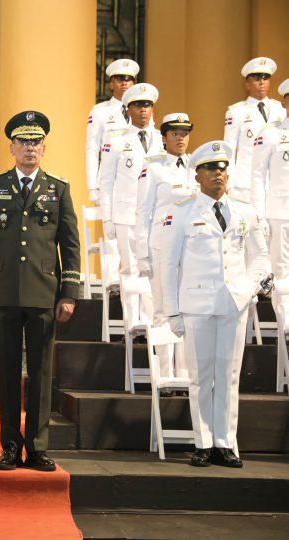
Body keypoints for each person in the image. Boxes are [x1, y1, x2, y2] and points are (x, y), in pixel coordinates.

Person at [0, 111, 80, 471]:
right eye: (23, 142)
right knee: (5, 374)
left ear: (44, 148)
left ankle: (37, 447)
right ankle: (8, 446)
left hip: (43, 293)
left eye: (35, 142)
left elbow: (70, 244)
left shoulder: (58, 189)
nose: (29, 148)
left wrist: (69, 292)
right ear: (12, 148)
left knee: (40, 372)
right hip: (2, 294)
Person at [160, 141, 269, 468]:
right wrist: (173, 311)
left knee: (229, 375)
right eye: (211, 168)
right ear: (198, 175)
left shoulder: (244, 210)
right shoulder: (182, 211)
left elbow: (260, 255)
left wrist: (249, 288)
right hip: (197, 304)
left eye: (222, 167)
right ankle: (204, 442)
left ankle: (226, 442)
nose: (218, 173)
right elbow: (169, 264)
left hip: (233, 303)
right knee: (200, 377)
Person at [135, 113, 196, 386]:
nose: (181, 138)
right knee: (163, 310)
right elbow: (143, 211)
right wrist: (142, 254)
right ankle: (164, 376)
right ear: (164, 137)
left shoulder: (197, 164)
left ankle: (183, 376)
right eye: (175, 133)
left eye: (185, 133)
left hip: (192, 247)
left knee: (187, 310)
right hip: (161, 246)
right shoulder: (154, 167)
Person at [98, 83, 163, 328]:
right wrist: (107, 219)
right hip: (125, 214)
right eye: (137, 105)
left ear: (153, 108)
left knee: (152, 270)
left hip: (155, 215)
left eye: (147, 105)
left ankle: (150, 323)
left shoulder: (163, 140)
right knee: (129, 269)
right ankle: (131, 323)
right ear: (128, 109)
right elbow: (106, 182)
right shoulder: (115, 141)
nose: (143, 110)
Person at [85, 59, 139, 293]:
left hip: (135, 182)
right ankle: (111, 282)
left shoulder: (141, 108)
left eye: (128, 79)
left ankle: (135, 277)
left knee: (136, 233)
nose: (124, 83)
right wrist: (92, 186)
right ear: (111, 84)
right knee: (111, 232)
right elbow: (91, 149)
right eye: (119, 79)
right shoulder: (100, 112)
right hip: (110, 182)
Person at [252, 78, 289, 332]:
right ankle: (286, 325)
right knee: (281, 270)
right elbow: (257, 176)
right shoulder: (271, 134)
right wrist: (260, 215)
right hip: (279, 213)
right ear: (285, 102)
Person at [224, 56, 286, 200]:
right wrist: (230, 185)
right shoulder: (236, 112)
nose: (262, 82)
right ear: (247, 84)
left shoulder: (281, 110)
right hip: (245, 184)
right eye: (257, 78)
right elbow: (229, 150)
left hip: (275, 183)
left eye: (265, 78)